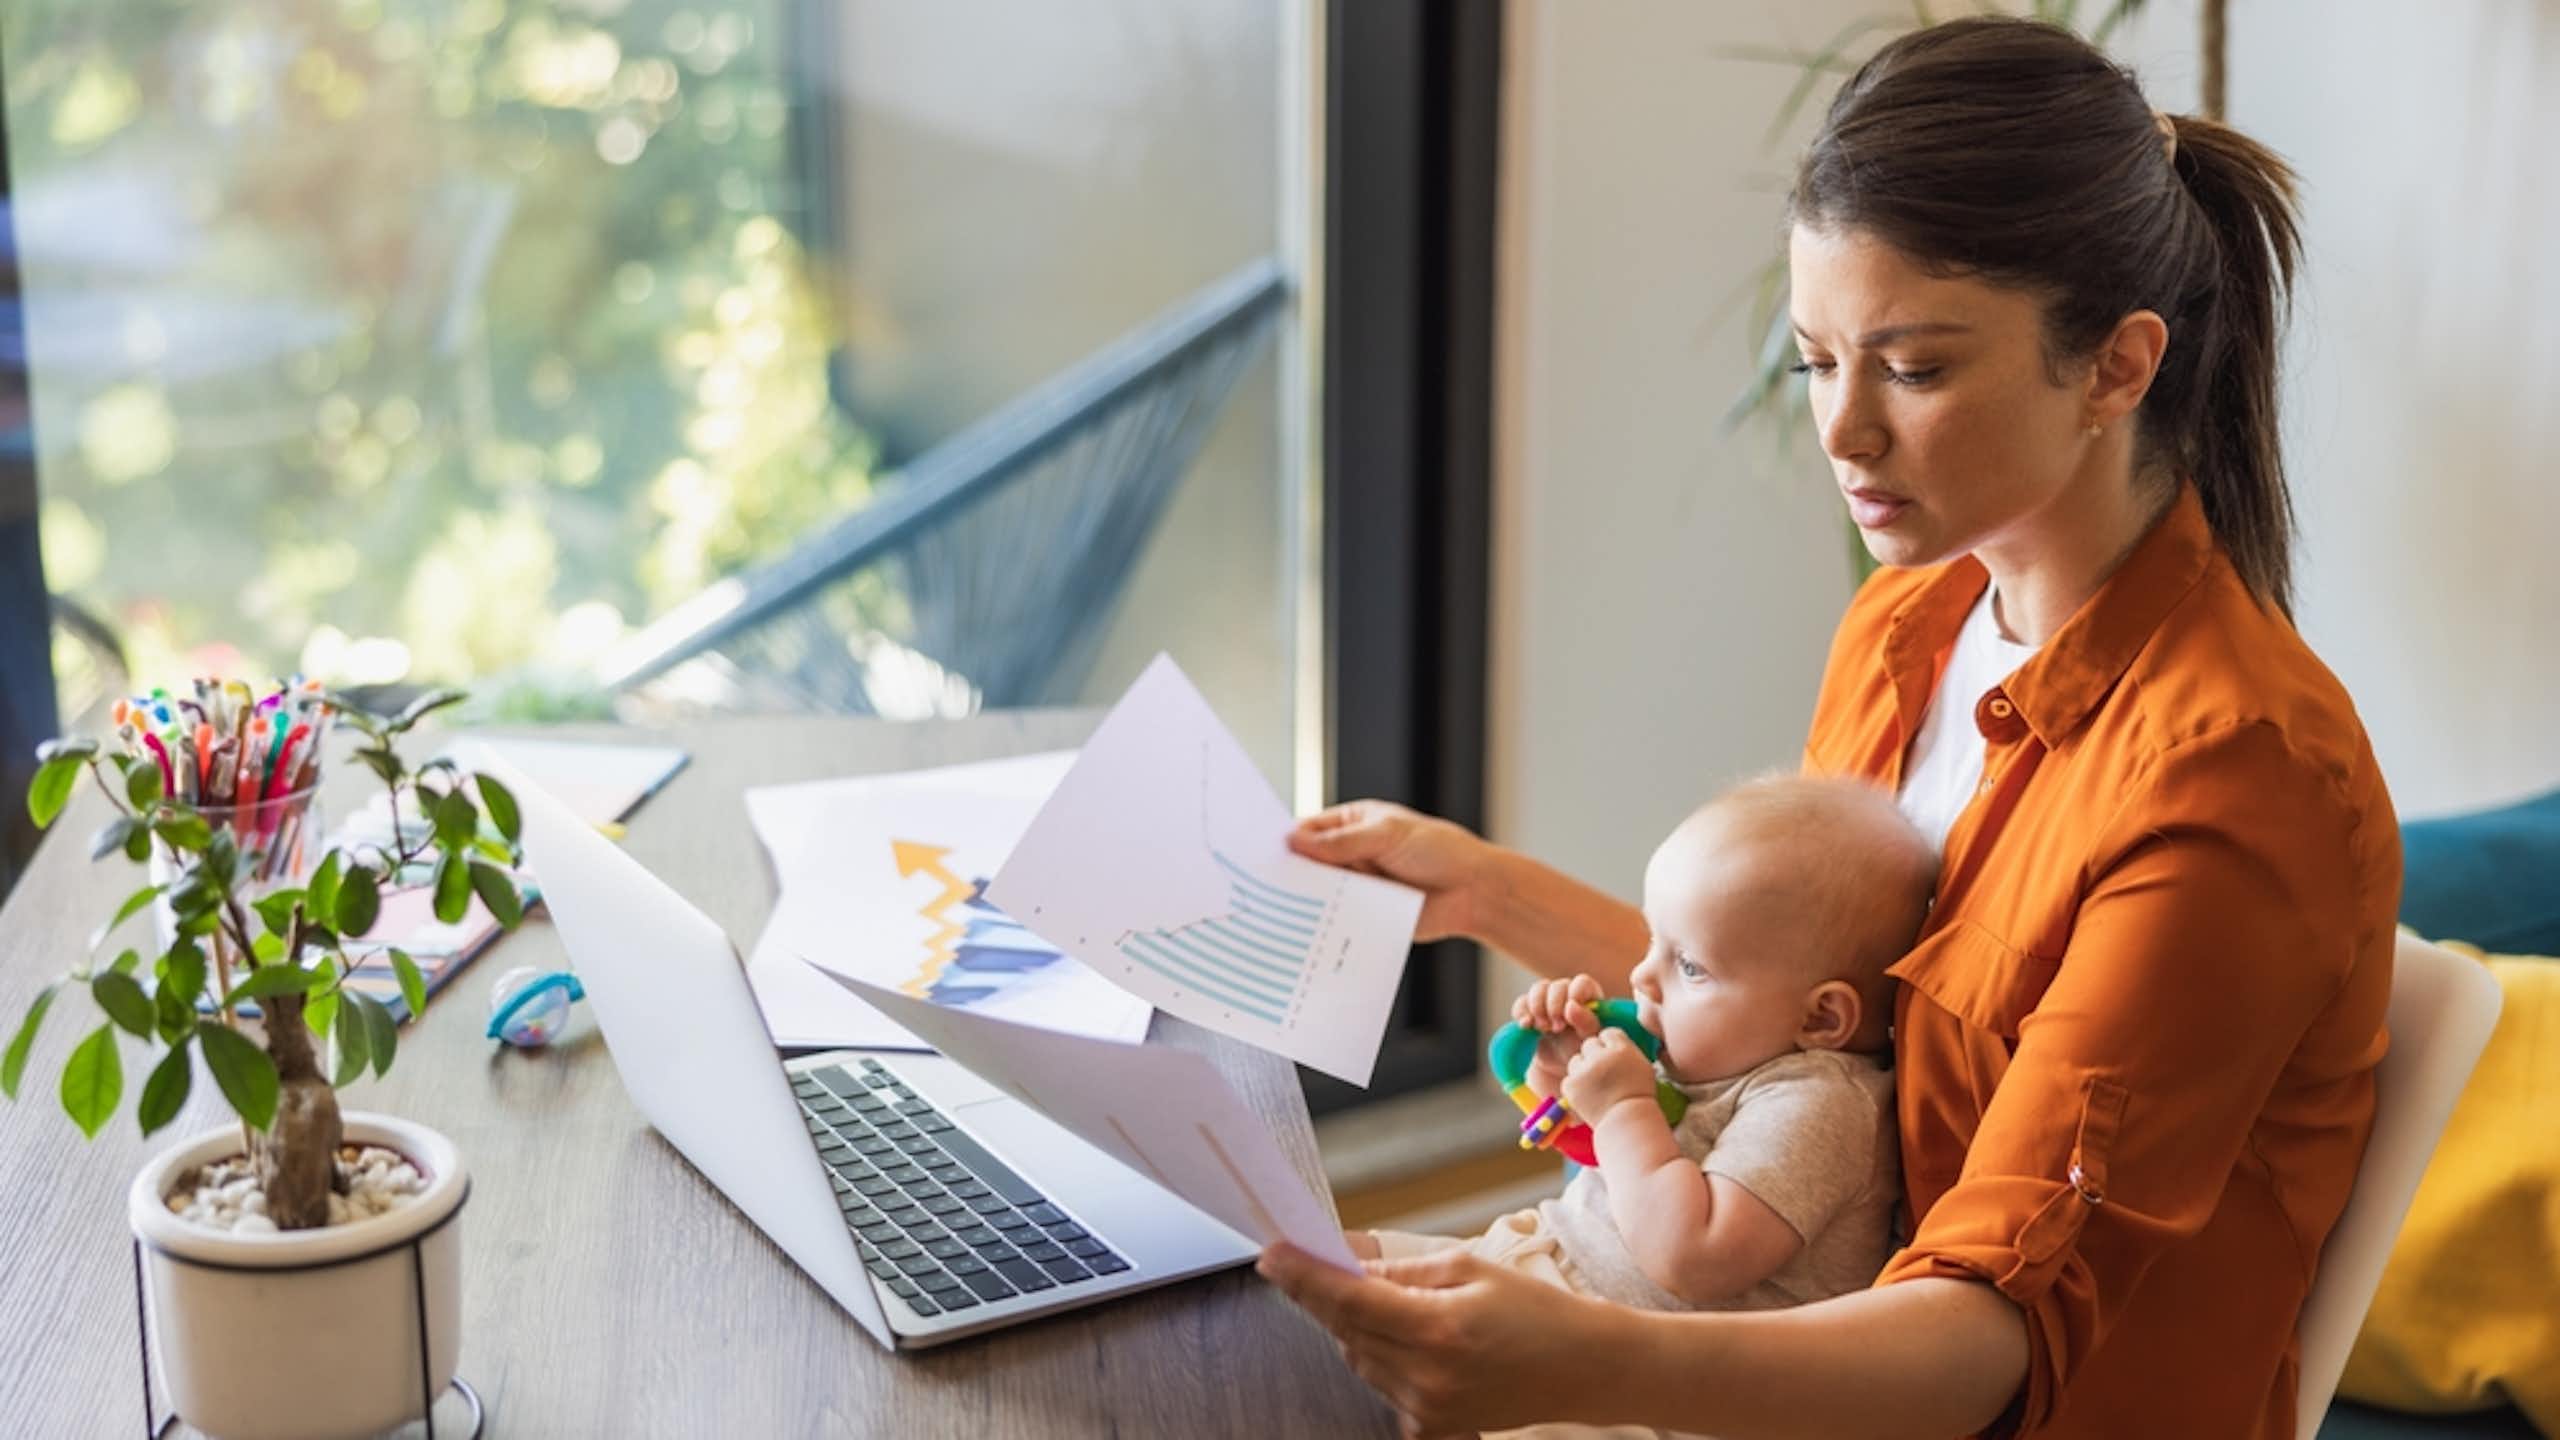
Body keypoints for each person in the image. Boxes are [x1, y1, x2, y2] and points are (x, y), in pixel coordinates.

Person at [1258, 16, 2399, 1440]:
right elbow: (1807, 1020)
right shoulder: (1907, 625)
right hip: (1763, 1337)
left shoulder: (2235, 781)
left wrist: (1574, 1362)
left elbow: (1987, 1341)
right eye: (1814, 362)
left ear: (2116, 368)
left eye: (1913, 371)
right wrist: (1485, 891)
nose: (1843, 431)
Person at [1351, 777, 1930, 1361]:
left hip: (1610, 1372)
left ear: (1823, 1017)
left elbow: (1691, 1254)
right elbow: (1624, 1172)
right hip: (1546, 1274)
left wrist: (1625, 1109)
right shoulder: (1719, 1059)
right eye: (1653, 940)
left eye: (1689, 965)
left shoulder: (1818, 1106)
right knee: (1317, 1261)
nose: (1641, 977)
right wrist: (1565, 1082)